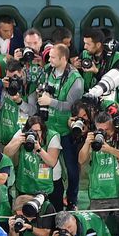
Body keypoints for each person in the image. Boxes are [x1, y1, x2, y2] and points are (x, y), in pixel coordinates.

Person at [36, 44, 85, 208]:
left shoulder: (75, 80)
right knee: (47, 166)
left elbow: (72, 107)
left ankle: (72, 200)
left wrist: (50, 101)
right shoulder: (49, 70)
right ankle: (52, 197)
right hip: (49, 128)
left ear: (64, 59)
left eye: (53, 57)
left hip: (67, 131)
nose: (49, 59)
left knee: (71, 169)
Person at [79, 112, 119, 235]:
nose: (105, 132)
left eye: (108, 129)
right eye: (101, 129)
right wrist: (86, 143)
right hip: (99, 194)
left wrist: (110, 149)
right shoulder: (93, 139)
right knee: (92, 230)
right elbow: (81, 160)